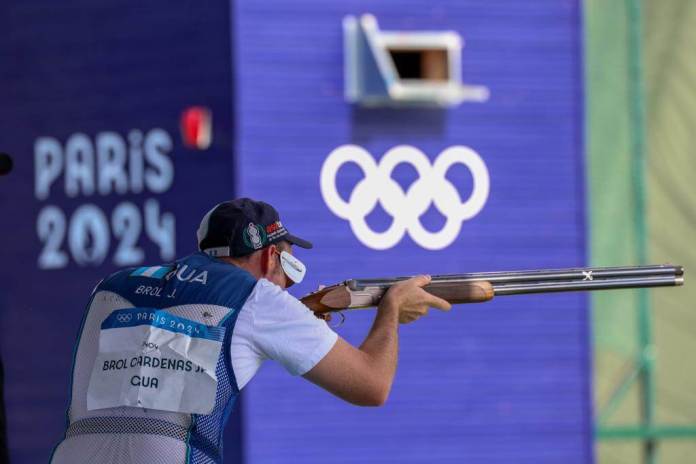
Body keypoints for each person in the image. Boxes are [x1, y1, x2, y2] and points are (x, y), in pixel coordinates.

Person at [49, 198, 450, 463]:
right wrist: (391, 311)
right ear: (270, 255)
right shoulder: (259, 297)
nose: (287, 284)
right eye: (288, 266)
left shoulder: (112, 284)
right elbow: (372, 386)